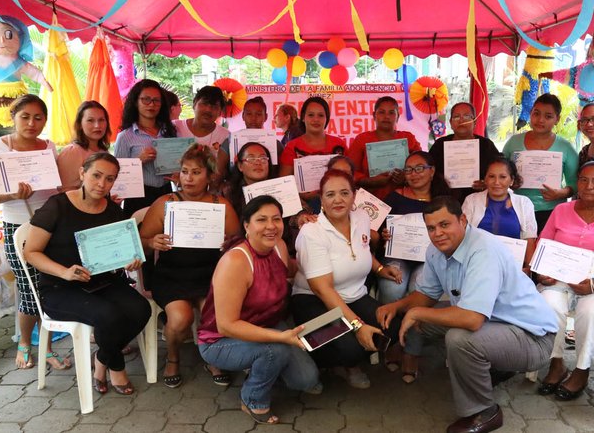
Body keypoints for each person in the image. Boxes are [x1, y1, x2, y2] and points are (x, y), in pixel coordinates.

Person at [376, 196, 558, 433]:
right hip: (496, 324)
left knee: (459, 339)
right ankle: (491, 368)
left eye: (444, 224)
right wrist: (397, 306)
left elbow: (471, 319)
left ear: (462, 220)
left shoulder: (483, 250)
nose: (437, 233)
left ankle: (484, 411)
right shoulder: (435, 250)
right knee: (418, 319)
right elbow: (427, 295)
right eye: (431, 228)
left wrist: (418, 312)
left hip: (533, 338)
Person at [23, 153, 152, 395]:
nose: (102, 184)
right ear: (82, 173)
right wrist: (64, 272)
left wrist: (129, 261)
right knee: (109, 316)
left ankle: (101, 359)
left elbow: (121, 251)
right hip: (60, 288)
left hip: (103, 282)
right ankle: (116, 367)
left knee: (140, 309)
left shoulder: (113, 211)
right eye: (96, 175)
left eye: (110, 179)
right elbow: (31, 252)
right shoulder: (57, 206)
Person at [198, 195, 321, 424]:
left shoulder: (280, 247)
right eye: (261, 220)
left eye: (276, 219)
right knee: (276, 351)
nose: (271, 226)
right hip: (220, 339)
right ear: (247, 225)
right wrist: (279, 337)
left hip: (266, 322)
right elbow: (226, 325)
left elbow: (288, 274)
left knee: (306, 379)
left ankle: (258, 366)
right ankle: (252, 398)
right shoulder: (236, 261)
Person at [0, 94, 70, 371]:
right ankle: (26, 343)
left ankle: (48, 348)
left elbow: (55, 185)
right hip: (18, 226)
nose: (32, 123)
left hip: (51, 225)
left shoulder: (48, 147)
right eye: (25, 116)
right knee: (30, 287)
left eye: (38, 117)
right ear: (13, 117)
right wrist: (11, 194)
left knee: (48, 286)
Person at [290, 170, 403, 389]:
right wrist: (358, 326)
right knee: (349, 346)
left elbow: (360, 248)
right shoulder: (312, 233)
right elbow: (323, 290)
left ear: (354, 196)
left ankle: (348, 358)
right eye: (330, 194)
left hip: (354, 295)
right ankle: (319, 357)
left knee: (392, 327)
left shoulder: (361, 217)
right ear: (321, 199)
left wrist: (380, 268)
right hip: (315, 302)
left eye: (344, 193)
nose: (338, 199)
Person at [139, 145, 240, 388]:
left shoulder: (221, 204)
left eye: (196, 172)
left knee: (215, 316)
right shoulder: (165, 202)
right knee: (180, 319)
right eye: (184, 171)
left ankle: (212, 357)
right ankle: (173, 357)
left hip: (210, 275)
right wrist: (153, 242)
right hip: (172, 275)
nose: (188, 178)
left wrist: (229, 243)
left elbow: (239, 243)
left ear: (209, 176)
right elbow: (140, 242)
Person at [534, 160, 594, 400]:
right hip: (559, 279)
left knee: (591, 312)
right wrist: (541, 272)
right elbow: (542, 246)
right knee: (548, 305)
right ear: (576, 183)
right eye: (584, 180)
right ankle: (556, 363)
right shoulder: (561, 211)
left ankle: (581, 369)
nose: (589, 186)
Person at [376, 151, 452, 383]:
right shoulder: (393, 197)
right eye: (409, 169)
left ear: (432, 171)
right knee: (392, 289)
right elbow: (375, 233)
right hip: (397, 257)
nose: (414, 174)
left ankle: (411, 352)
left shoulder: (444, 200)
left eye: (420, 168)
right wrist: (384, 234)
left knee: (419, 291)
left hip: (429, 259)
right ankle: (394, 340)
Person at [501, 94, 579, 233]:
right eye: (536, 113)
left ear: (557, 119)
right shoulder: (514, 142)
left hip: (550, 212)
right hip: (516, 208)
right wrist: (509, 182)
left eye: (548, 116)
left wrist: (561, 193)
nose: (540, 120)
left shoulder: (565, 147)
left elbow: (575, 184)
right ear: (530, 113)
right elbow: (500, 171)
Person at [114, 79, 178, 216]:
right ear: (136, 102)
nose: (151, 105)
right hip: (138, 196)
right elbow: (117, 173)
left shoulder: (170, 132)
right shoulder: (125, 136)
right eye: (146, 99)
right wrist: (138, 160)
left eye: (156, 100)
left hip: (166, 191)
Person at [461, 157, 537, 269]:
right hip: (477, 266)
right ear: (485, 179)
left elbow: (529, 239)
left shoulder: (524, 203)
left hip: (513, 268)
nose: (496, 182)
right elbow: (463, 235)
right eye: (491, 176)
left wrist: (528, 270)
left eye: (503, 177)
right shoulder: (471, 201)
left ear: (511, 180)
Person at [345, 97, 422, 200]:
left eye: (391, 113)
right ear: (374, 115)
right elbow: (350, 173)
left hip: (404, 199)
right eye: (381, 112)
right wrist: (369, 181)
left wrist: (406, 177)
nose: (386, 116)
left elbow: (422, 168)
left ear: (397, 117)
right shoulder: (361, 139)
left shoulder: (408, 139)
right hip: (369, 201)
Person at [429, 102, 502, 202]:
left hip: (480, 202)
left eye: (467, 116)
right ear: (450, 123)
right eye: (456, 117)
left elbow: (501, 169)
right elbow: (428, 171)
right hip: (446, 202)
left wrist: (488, 183)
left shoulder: (486, 145)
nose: (461, 120)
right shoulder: (440, 145)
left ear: (475, 122)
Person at [173, 86, 232, 189]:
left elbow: (224, 173)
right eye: (204, 104)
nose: (208, 110)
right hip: (178, 195)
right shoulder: (174, 128)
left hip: (211, 197)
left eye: (214, 107)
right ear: (194, 104)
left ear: (220, 111)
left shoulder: (226, 136)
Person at [279, 97, 347, 178]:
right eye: (311, 115)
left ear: (327, 118)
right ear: (303, 118)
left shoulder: (339, 144)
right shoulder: (292, 147)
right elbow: (285, 181)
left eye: (321, 115)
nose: (316, 119)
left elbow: (350, 175)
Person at [57, 101, 111, 191]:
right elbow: (65, 192)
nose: (97, 126)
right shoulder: (71, 152)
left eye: (101, 120)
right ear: (80, 124)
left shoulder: (104, 152)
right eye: (90, 120)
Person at [223, 142, 278, 217]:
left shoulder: (280, 188)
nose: (258, 163)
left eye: (263, 158)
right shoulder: (228, 193)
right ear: (240, 166)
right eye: (251, 159)